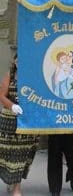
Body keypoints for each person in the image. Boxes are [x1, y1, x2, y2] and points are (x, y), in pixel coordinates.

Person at [0, 54, 40, 196]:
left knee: (22, 156)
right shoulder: (9, 75)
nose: (19, 62)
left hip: (27, 123)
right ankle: (13, 185)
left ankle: (16, 186)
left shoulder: (33, 77)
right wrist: (12, 106)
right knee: (10, 156)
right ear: (14, 61)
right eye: (17, 59)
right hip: (9, 123)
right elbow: (1, 96)